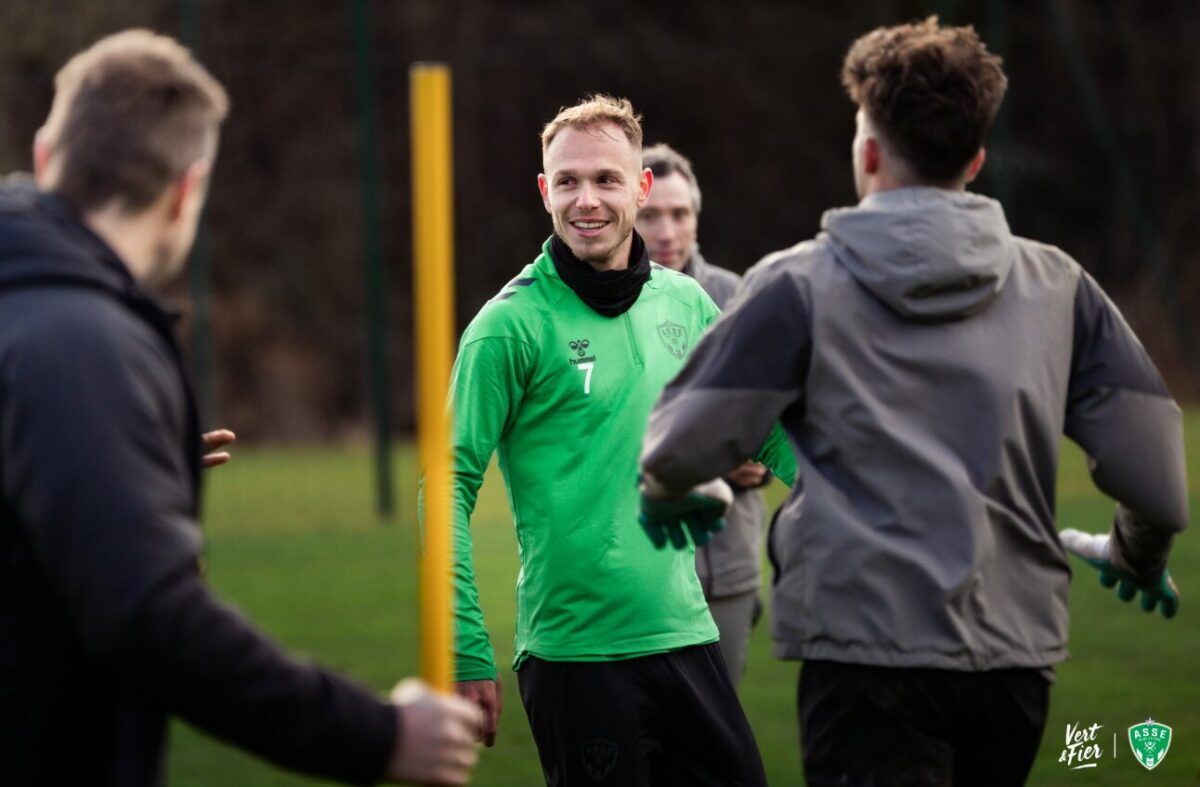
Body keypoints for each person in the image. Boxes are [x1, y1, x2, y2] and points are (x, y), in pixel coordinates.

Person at [639, 17, 1188, 787]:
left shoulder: (796, 284)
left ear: (866, 152)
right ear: (976, 158)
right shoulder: (1061, 287)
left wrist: (670, 495)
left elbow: (672, 449)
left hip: (863, 656)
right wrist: (1133, 554)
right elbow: (1159, 485)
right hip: (1015, 661)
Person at [0, 30, 480, 786]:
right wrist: (376, 734)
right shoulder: (78, 342)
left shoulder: (31, 321)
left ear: (45, 152)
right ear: (188, 190)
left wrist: (120, 467)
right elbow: (151, 618)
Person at [447, 95, 788, 786]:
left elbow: (770, 426)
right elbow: (448, 483)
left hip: (689, 637)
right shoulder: (507, 326)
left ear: (640, 186)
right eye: (567, 181)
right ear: (545, 191)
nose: (586, 200)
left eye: (606, 179)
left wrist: (852, 504)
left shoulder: (687, 304)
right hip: (576, 657)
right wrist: (463, 646)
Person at [635, 143, 772, 687]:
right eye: (651, 215)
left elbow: (773, 424)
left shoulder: (739, 298)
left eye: (680, 214)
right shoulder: (600, 302)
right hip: (637, 566)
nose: (666, 231)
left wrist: (755, 462)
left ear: (696, 218)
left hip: (726, 568)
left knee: (714, 751)